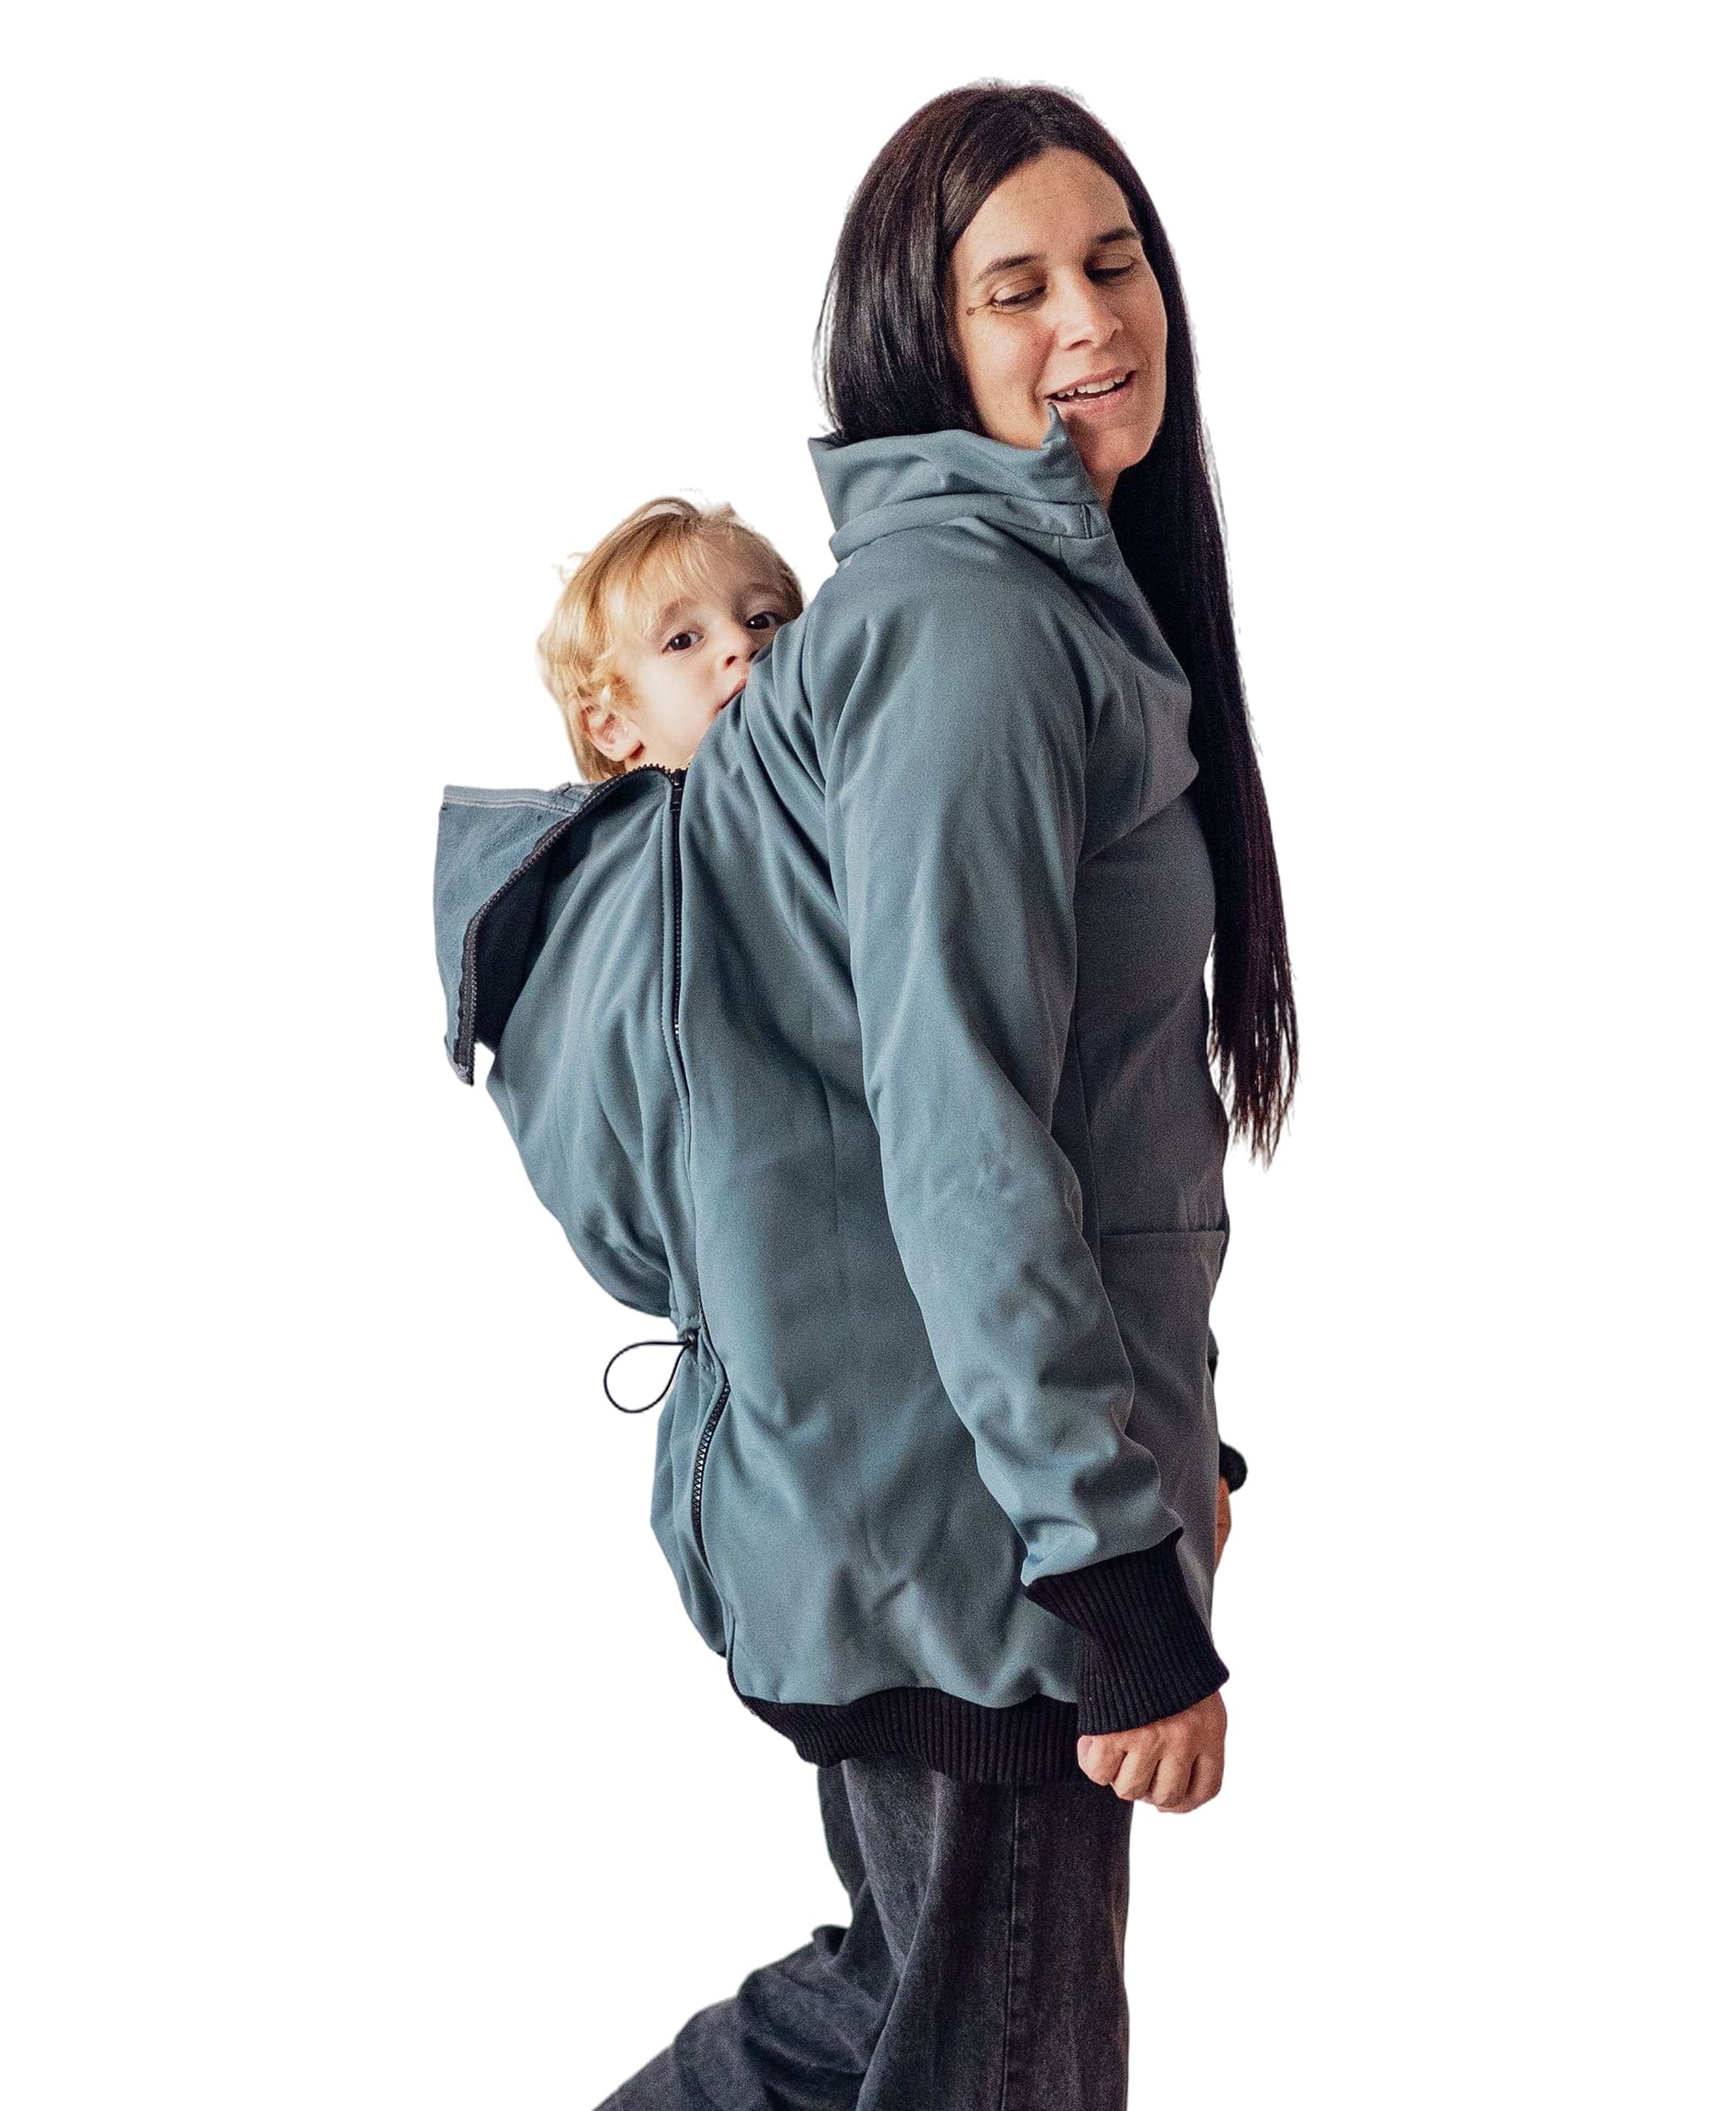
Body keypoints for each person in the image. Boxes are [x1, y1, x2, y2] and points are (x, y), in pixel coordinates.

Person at [434, 78, 1294, 2111]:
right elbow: (961, 1129)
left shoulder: (1031, 605)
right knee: (991, 2056)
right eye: (1018, 288)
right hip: (972, 1541)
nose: (1089, 317)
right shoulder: (968, 625)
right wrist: (1102, 1559)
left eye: (1116, 263)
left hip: (951, 1496)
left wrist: (1174, 1451)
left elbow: (1083, 1116)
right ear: (923, 333)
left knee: (893, 2004)